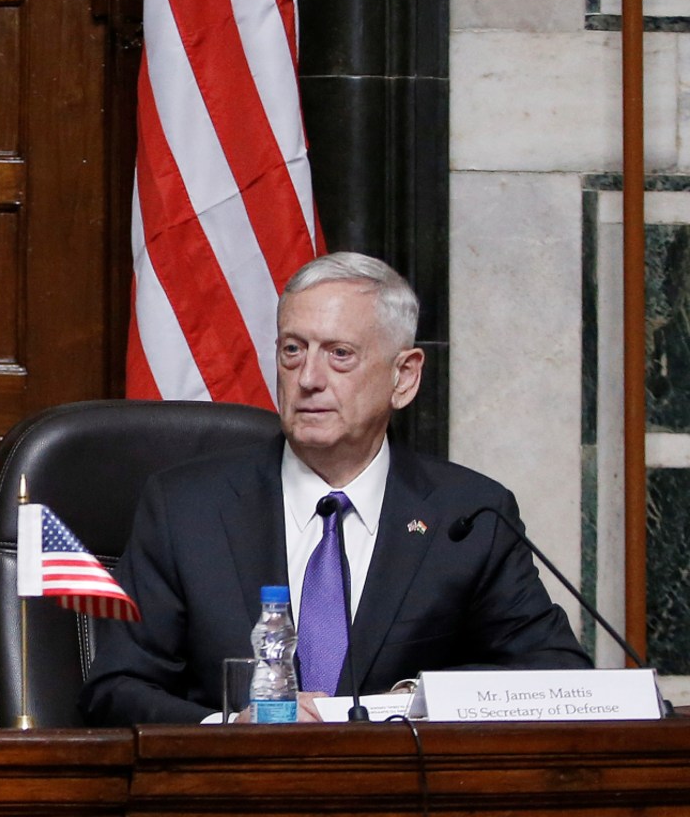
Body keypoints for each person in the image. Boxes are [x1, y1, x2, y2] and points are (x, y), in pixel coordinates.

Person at [80, 252, 589, 725]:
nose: (308, 378)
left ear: (404, 378)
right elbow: (116, 688)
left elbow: (558, 675)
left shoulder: (470, 515)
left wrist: (415, 700)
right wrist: (232, 727)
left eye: (340, 354)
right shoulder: (186, 509)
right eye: (293, 351)